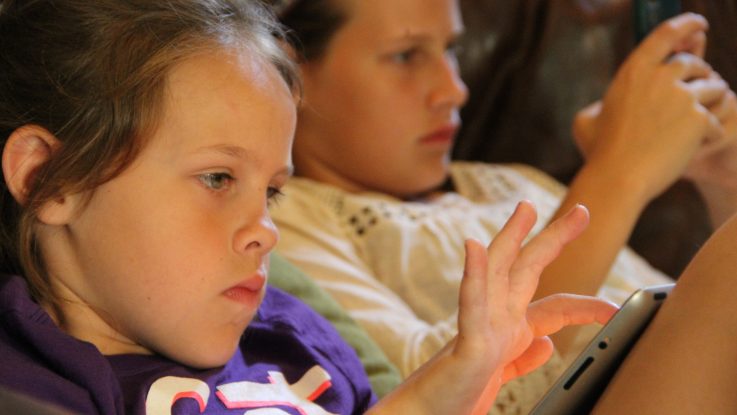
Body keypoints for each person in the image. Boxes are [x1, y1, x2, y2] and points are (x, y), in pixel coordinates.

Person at [0, 0, 617, 413]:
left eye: (271, 192)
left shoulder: (295, 338)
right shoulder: (34, 380)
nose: (266, 232)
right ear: (51, 180)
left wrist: (462, 382)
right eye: (217, 178)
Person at [267, 0, 737, 411]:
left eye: (451, 49)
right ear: (292, 74)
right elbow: (430, 393)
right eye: (406, 55)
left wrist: (724, 173)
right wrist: (617, 173)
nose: (454, 90)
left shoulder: (512, 182)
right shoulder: (286, 223)